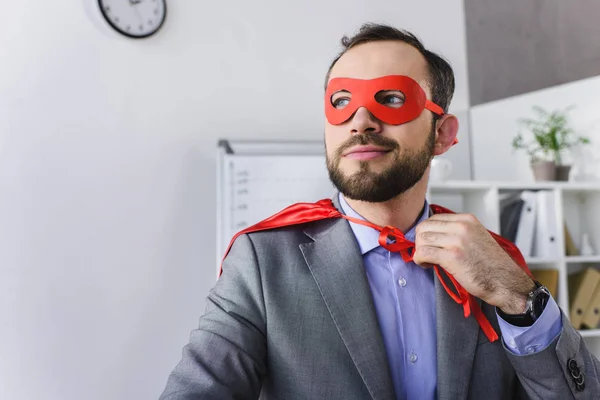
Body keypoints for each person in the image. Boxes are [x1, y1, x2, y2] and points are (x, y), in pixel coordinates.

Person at [159, 23, 600, 399]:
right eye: (341, 101)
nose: (361, 119)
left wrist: (518, 299)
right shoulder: (263, 262)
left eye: (391, 99)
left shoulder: (493, 259)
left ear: (443, 134)